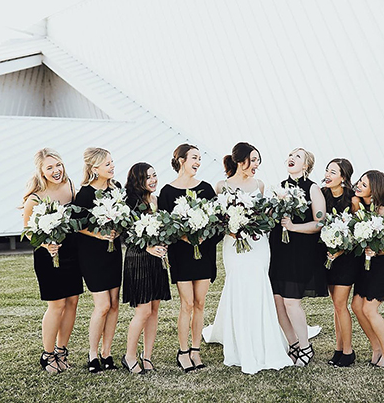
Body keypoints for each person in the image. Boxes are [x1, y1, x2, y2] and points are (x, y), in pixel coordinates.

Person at [202, 142, 293, 374]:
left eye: (258, 161)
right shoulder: (222, 186)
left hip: (258, 243)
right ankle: (239, 340)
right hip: (233, 244)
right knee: (239, 284)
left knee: (259, 284)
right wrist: (231, 228)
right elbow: (217, 219)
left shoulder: (260, 185)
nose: (256, 165)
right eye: (253, 160)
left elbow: (264, 215)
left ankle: (263, 337)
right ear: (240, 161)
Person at [158, 144, 219, 372]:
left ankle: (196, 350)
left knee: (201, 303)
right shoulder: (167, 191)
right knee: (187, 304)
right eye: (194, 157)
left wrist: (203, 237)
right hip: (181, 255)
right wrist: (182, 236)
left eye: (200, 158)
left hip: (203, 253)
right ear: (181, 160)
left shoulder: (206, 189)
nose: (198, 162)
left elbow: (216, 223)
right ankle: (182, 352)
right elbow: (165, 227)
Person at [22, 148, 82, 373]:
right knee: (56, 305)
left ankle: (61, 351)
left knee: (72, 302)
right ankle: (47, 355)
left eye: (58, 165)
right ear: (41, 171)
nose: (56, 170)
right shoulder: (34, 199)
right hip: (48, 255)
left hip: (72, 252)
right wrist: (45, 244)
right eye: (50, 167)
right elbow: (28, 231)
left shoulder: (71, 187)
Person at [269, 148, 327, 367]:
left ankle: (305, 347)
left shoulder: (313, 189)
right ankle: (292, 344)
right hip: (279, 252)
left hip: (300, 253)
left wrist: (293, 227)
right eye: (290, 155)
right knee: (278, 302)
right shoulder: (279, 188)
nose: (291, 158)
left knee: (292, 302)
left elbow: (319, 222)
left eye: (298, 156)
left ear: (306, 165)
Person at [74, 147, 122, 373]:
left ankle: (107, 352)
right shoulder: (84, 194)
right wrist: (99, 234)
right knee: (102, 306)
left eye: (112, 162)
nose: (112, 167)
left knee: (114, 305)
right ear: (94, 168)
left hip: (114, 252)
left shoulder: (117, 189)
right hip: (92, 255)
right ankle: (92, 354)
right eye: (107, 164)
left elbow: (124, 219)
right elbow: (77, 226)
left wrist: (117, 231)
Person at [121, 163, 172, 374]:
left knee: (154, 311)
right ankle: (129, 356)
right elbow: (126, 235)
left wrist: (163, 243)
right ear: (137, 180)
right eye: (147, 177)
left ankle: (147, 356)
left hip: (156, 260)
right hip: (138, 259)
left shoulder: (156, 200)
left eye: (154, 175)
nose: (153, 180)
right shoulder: (130, 202)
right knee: (143, 311)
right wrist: (149, 247)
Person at [351, 170, 384, 367]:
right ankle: (376, 347)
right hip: (366, 266)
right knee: (356, 306)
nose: (359, 185)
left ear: (375, 189)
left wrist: (375, 250)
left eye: (364, 184)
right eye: (360, 181)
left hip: (383, 265)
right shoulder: (361, 207)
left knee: (369, 309)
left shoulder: (382, 212)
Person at [321, 158, 359, 367]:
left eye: (332, 172)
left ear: (343, 177)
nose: (327, 174)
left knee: (340, 305)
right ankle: (338, 348)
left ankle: (348, 351)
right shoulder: (322, 194)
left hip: (346, 259)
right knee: (335, 306)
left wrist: (339, 251)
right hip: (328, 258)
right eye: (327, 170)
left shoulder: (352, 200)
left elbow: (357, 233)